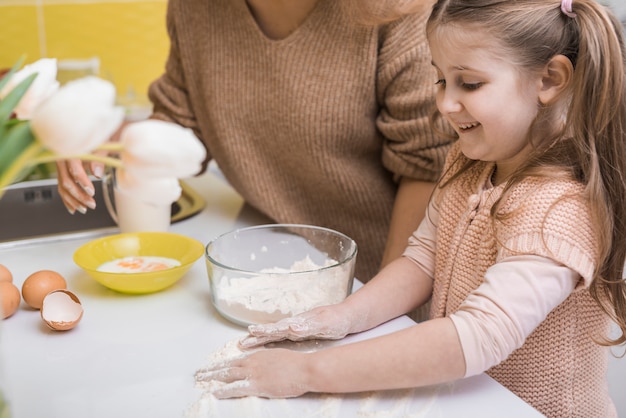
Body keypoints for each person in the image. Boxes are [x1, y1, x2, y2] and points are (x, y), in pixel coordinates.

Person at [193, 0, 626, 416]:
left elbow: (479, 336)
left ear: (550, 79)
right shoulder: (472, 161)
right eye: (440, 79)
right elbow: (423, 259)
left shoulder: (561, 209)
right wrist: (345, 315)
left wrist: (307, 371)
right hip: (462, 399)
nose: (445, 103)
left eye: (469, 83)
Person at [55, 0, 452, 285]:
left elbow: (426, 169)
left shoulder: (399, 11)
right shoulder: (195, 9)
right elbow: (184, 124)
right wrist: (115, 139)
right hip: (278, 263)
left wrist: (381, 303)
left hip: (388, 275)